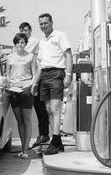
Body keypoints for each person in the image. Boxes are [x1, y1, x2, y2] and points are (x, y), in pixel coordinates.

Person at [31, 13, 73, 155]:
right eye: (41, 24)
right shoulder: (42, 42)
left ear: (51, 22)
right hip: (45, 75)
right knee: (48, 109)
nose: (43, 26)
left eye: (46, 23)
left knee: (55, 108)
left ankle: (54, 143)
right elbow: (40, 65)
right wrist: (35, 83)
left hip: (57, 74)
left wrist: (68, 75)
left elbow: (68, 55)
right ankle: (58, 141)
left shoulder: (60, 35)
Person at [5, 33, 38, 159]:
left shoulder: (31, 56)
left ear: (26, 43)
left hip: (26, 90)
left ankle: (25, 150)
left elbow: (35, 74)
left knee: (27, 120)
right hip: (13, 90)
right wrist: (7, 84)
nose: (20, 44)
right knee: (19, 121)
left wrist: (29, 86)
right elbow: (8, 74)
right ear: (15, 43)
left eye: (23, 42)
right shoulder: (10, 57)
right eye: (18, 42)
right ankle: (23, 148)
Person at [19, 22, 50, 149]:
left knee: (40, 107)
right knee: (25, 111)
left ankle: (44, 134)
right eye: (22, 30)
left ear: (30, 30)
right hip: (25, 78)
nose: (24, 32)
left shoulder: (34, 41)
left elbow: (25, 53)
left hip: (37, 77)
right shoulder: (21, 42)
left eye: (26, 30)